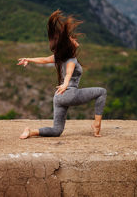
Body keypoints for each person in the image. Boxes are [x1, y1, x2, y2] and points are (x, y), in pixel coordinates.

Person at [17, 9, 107, 139]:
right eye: (73, 39)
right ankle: (97, 124)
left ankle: (30, 132)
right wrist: (65, 84)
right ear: (69, 45)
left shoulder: (60, 57)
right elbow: (69, 73)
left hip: (59, 97)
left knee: (56, 130)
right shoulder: (71, 59)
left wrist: (28, 59)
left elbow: (43, 60)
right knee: (102, 92)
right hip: (69, 93)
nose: (76, 40)